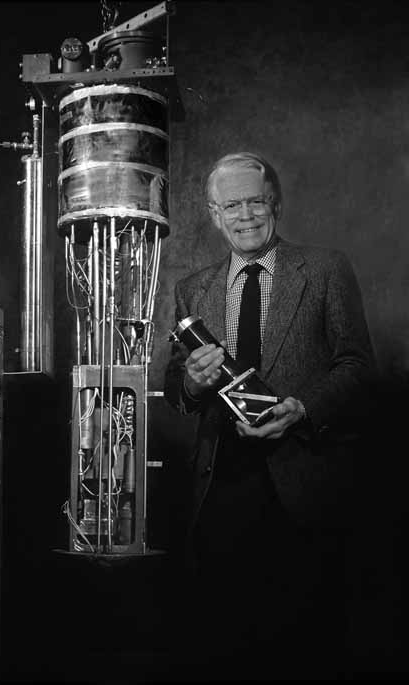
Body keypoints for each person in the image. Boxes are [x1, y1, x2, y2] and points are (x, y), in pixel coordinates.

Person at [163, 151, 376, 679]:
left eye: (255, 201)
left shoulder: (325, 268)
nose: (245, 215)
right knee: (223, 638)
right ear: (214, 214)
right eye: (230, 205)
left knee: (304, 641)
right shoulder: (194, 288)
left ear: (274, 203)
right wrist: (193, 378)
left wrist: (302, 410)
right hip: (221, 485)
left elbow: (357, 365)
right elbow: (176, 389)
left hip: (303, 478)